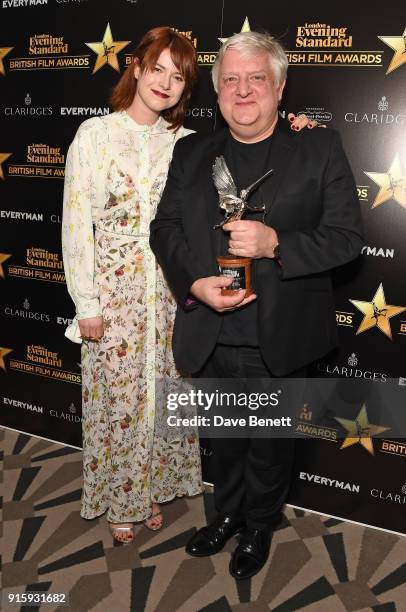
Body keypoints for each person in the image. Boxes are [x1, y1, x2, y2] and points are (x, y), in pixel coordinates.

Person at [62, 26, 318, 545]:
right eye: (156, 68)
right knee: (119, 401)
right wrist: (85, 301)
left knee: (167, 398)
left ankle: (153, 488)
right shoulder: (93, 134)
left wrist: (298, 132)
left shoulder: (188, 145)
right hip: (116, 297)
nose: (165, 83)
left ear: (187, 89)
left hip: (176, 293)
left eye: (178, 77)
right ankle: (122, 497)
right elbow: (75, 224)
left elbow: (254, 152)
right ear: (135, 66)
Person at [150, 31, 364, 578]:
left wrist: (277, 245)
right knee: (222, 440)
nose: (243, 91)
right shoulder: (192, 151)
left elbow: (345, 238)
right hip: (211, 328)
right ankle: (225, 517)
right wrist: (193, 284)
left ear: (279, 87)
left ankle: (259, 528)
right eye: (230, 81)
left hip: (282, 334)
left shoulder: (319, 147)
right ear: (217, 92)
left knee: (269, 446)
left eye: (256, 79)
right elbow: (165, 228)